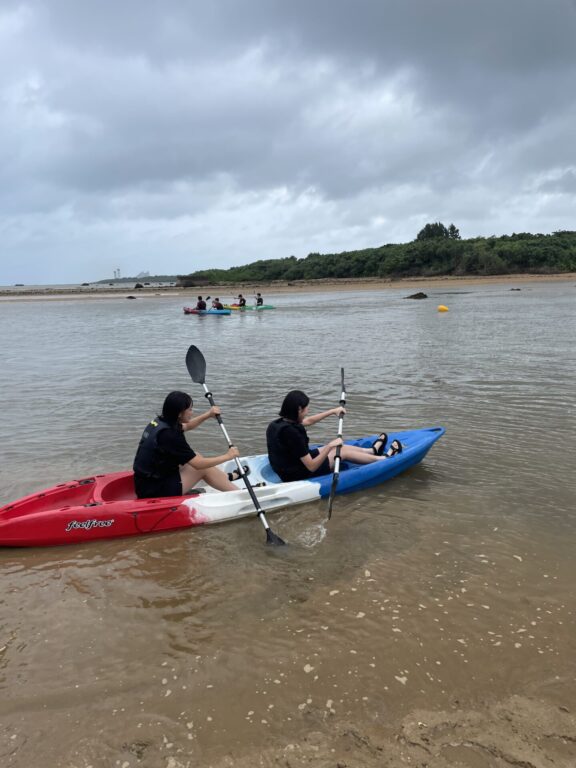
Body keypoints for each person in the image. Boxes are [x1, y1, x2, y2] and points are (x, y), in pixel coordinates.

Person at [266, 390, 402, 482]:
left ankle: (372, 451)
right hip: (295, 473)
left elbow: (308, 421)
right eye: (306, 408)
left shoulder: (277, 423)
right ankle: (383, 459)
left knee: (337, 447)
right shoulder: (292, 434)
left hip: (291, 463)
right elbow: (311, 467)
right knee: (340, 451)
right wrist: (330, 445)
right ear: (299, 409)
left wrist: (332, 411)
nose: (308, 411)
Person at [133, 391, 242, 498]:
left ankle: (226, 478)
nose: (192, 412)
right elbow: (199, 465)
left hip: (145, 482)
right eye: (189, 409)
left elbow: (186, 426)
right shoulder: (170, 435)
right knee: (202, 468)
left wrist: (208, 415)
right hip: (154, 491)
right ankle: (241, 495)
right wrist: (228, 456)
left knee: (196, 455)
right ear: (179, 413)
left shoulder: (161, 422)